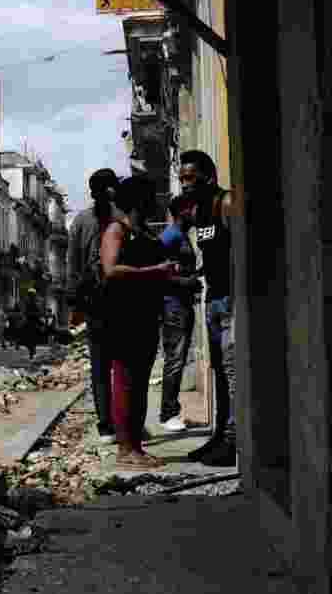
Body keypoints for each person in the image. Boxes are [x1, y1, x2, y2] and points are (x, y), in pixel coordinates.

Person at [99, 174, 178, 469]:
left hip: (146, 316)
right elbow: (111, 269)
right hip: (122, 317)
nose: (155, 202)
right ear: (138, 200)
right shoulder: (116, 230)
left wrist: (176, 279)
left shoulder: (143, 233)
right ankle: (125, 450)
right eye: (150, 197)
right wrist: (155, 270)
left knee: (140, 384)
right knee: (125, 382)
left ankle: (136, 446)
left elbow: (154, 272)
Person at [179, 149, 239, 467]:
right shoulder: (199, 210)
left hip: (230, 301)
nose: (184, 184)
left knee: (232, 372)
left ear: (208, 176)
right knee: (219, 372)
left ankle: (233, 442)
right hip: (212, 302)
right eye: (181, 179)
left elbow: (239, 252)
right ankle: (218, 436)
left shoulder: (223, 203)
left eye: (190, 177)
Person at [67, 168, 121, 444]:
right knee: (121, 364)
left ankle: (106, 424)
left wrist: (75, 304)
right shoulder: (122, 217)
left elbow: (73, 268)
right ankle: (118, 421)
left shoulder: (80, 221)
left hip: (95, 301)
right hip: (117, 300)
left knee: (101, 366)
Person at [158, 195, 203, 433]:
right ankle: (168, 414)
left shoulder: (181, 235)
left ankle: (171, 411)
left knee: (178, 359)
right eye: (193, 208)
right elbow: (160, 275)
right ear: (183, 211)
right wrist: (188, 283)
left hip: (181, 305)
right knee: (174, 361)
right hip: (173, 307)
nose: (197, 212)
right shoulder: (170, 236)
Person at [21, 289, 42, 360]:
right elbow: (24, 312)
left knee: (42, 330)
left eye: (32, 294)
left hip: (34, 320)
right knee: (21, 330)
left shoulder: (36, 302)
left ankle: (33, 348)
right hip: (29, 320)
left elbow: (38, 312)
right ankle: (30, 348)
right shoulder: (27, 302)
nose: (31, 296)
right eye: (30, 294)